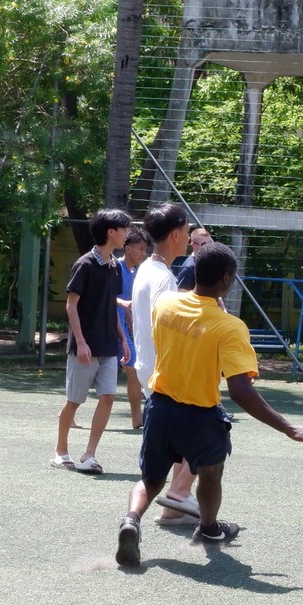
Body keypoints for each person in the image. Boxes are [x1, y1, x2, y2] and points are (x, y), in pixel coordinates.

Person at [116, 242, 303, 567]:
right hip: (199, 415)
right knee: (211, 473)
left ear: (195, 271)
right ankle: (209, 528)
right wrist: (288, 428)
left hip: (159, 407)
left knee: (151, 479)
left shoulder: (166, 304)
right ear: (227, 278)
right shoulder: (229, 326)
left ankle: (131, 520)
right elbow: (241, 390)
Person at [129, 204, 203, 524]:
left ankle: (173, 505)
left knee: (181, 440)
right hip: (165, 370)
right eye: (187, 232)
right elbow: (170, 328)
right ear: (175, 234)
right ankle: (177, 498)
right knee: (208, 435)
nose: (189, 239)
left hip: (149, 367)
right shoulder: (163, 279)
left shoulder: (148, 269)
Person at [54, 208, 131, 474]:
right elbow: (71, 305)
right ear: (111, 232)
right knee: (74, 401)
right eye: (124, 229)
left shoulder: (115, 266)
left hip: (109, 345)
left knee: (108, 396)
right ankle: (60, 451)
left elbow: (111, 305)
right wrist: (81, 342)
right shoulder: (85, 264)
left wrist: (122, 339)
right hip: (85, 347)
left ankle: (89, 454)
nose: (127, 234)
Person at [116, 226, 150, 430]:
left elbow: (128, 303)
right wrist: (123, 306)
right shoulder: (116, 268)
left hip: (123, 329)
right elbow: (105, 297)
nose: (143, 254)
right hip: (111, 328)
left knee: (134, 372)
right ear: (127, 248)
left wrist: (131, 322)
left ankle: (138, 418)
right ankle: (137, 418)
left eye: (145, 250)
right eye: (140, 249)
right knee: (134, 372)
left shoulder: (134, 271)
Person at [174, 226, 212, 290]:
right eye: (203, 244)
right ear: (193, 244)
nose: (208, 247)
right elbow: (182, 294)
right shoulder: (188, 269)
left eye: (209, 243)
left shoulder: (206, 261)